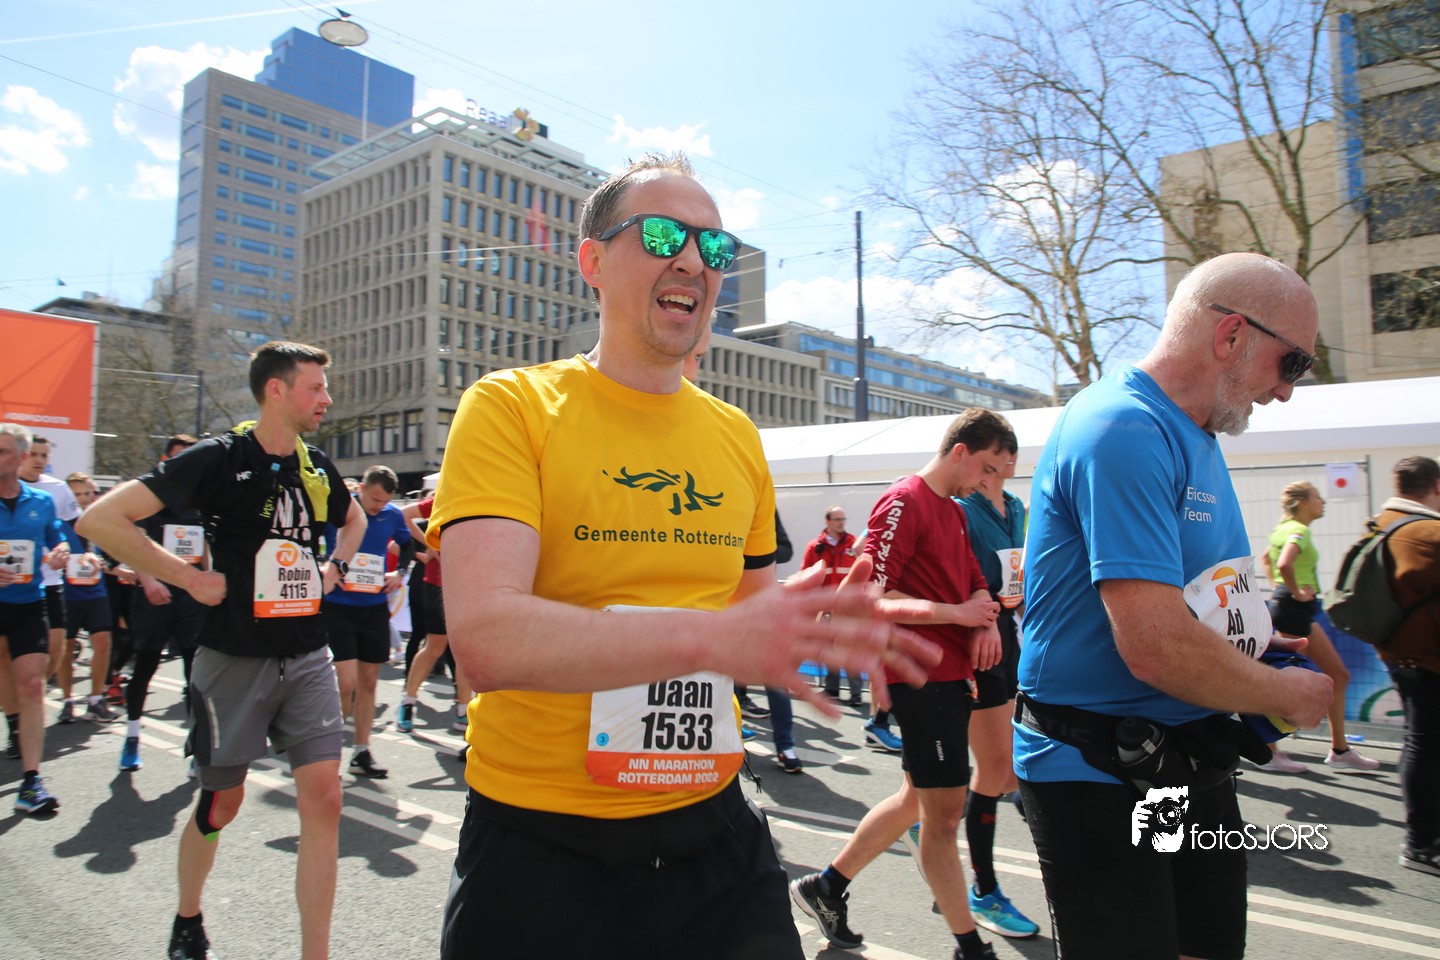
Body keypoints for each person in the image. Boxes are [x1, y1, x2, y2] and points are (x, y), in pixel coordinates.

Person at [427, 152, 939, 960]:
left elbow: (752, 622)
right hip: (541, 843)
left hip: (714, 836)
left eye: (715, 246)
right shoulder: (510, 407)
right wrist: (711, 637)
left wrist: (823, 625)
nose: (695, 261)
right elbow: (487, 640)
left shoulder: (735, 435)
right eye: (665, 235)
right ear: (593, 262)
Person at [1013, 253, 1335, 960]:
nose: (1287, 391)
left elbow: (1198, 602)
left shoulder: (1196, 432)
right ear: (1231, 335)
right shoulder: (1122, 427)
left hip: (1185, 757)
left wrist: (1252, 646)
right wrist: (1283, 693)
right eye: (1293, 363)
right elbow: (1155, 646)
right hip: (1097, 772)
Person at [78, 341, 365, 960]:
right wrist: (188, 578)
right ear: (276, 391)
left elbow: (355, 521)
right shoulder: (218, 457)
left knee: (326, 799)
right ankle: (188, 916)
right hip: (233, 658)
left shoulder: (315, 466)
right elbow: (100, 520)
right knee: (220, 804)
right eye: (315, 387)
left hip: (307, 654)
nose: (327, 398)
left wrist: (335, 570)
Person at [791, 408, 1014, 960]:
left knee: (917, 800)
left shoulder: (954, 511)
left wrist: (984, 617)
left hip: (951, 675)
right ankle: (970, 947)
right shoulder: (903, 501)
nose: (989, 483)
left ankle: (826, 887)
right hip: (920, 677)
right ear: (959, 451)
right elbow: (872, 599)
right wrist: (958, 615)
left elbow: (977, 582)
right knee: (942, 815)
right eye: (987, 468)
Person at [683, 325, 802, 772]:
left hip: (703, 759)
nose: (692, 371)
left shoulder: (737, 435)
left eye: (698, 356)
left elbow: (767, 566)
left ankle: (783, 745)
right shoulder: (516, 402)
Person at [955, 451, 1039, 937]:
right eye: (1004, 455)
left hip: (1009, 635)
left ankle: (830, 884)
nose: (1012, 463)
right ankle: (983, 890)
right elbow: (957, 578)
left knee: (1002, 772)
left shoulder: (1017, 507)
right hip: (977, 641)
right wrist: (981, 612)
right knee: (996, 771)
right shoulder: (960, 509)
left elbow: (1018, 574)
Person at [1260, 481, 1380, 773]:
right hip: (1294, 609)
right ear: (1303, 503)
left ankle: (1338, 749)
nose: (1323, 502)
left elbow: (1266, 559)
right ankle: (1271, 752)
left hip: (1294, 608)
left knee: (1334, 675)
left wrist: (1279, 588)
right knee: (1293, 680)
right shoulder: (1298, 530)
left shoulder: (1283, 528)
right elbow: (1284, 563)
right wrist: (1295, 592)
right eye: (1317, 497)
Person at [116, 433, 205, 773]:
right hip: (154, 595)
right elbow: (132, 541)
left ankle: (196, 745)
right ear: (166, 461)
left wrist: (209, 583)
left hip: (190, 598)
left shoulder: (203, 501)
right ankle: (132, 735)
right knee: (146, 666)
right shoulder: (149, 498)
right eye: (179, 458)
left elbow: (206, 550)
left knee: (196, 672)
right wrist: (148, 579)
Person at [322, 464, 413, 778]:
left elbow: (407, 545)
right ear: (361, 488)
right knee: (345, 683)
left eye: (384, 501)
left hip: (374, 608)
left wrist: (399, 573)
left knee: (369, 682)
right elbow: (312, 541)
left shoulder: (392, 515)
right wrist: (325, 567)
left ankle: (361, 751)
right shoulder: (340, 511)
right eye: (374, 500)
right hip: (339, 607)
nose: (378, 507)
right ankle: (328, 753)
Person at [1372, 456, 1440, 875]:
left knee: (1422, 742)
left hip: (1399, 655)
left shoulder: (1382, 524)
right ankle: (1421, 844)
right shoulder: (1427, 533)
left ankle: (1423, 838)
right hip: (1426, 660)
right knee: (1425, 744)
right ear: (1436, 486)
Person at [0, 422, 68, 815]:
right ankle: (13, 724)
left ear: (22, 458)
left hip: (28, 604)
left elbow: (57, 537)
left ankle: (31, 782)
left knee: (31, 684)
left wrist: (60, 551)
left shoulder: (40, 501)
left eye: (3, 451)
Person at [17, 435, 80, 721]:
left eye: (44, 455)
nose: (39, 461)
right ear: (21, 455)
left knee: (56, 651)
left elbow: (76, 527)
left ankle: (27, 699)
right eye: (34, 454)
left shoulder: (55, 490)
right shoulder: (8, 487)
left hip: (50, 582)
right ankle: (19, 710)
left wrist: (79, 553)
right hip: (11, 586)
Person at [395, 495, 469, 735]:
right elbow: (403, 514)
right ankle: (407, 702)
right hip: (438, 583)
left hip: (468, 585)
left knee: (464, 651)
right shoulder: (445, 497)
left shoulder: (488, 497)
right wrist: (429, 543)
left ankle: (463, 711)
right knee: (434, 646)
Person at [59, 472, 120, 724]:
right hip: (68, 594)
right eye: (77, 494)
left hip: (96, 591)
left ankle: (96, 699)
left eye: (87, 493)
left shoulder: (98, 521)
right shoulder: (59, 523)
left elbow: (107, 557)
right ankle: (67, 701)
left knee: (103, 643)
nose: (83, 499)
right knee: (67, 648)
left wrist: (116, 569)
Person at [805, 506, 866, 706]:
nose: (842, 522)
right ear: (828, 521)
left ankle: (856, 693)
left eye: (843, 518)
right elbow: (806, 576)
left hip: (848, 607)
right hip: (825, 607)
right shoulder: (815, 547)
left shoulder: (854, 545)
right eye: (837, 519)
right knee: (829, 648)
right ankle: (832, 689)